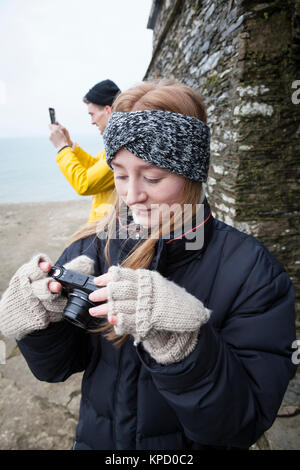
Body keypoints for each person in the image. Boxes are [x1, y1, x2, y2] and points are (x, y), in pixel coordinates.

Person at [0, 79, 297, 451]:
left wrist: (187, 350)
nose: (132, 195)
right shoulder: (93, 245)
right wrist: (39, 325)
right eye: (120, 175)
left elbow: (240, 427)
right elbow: (57, 368)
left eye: (152, 177)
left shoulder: (256, 275)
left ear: (191, 174)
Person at [49, 79, 120, 222]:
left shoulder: (120, 146)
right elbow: (95, 167)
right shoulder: (117, 140)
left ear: (107, 110)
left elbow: (84, 184)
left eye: (92, 114)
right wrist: (69, 145)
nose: (92, 121)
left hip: (109, 229)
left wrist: (62, 148)